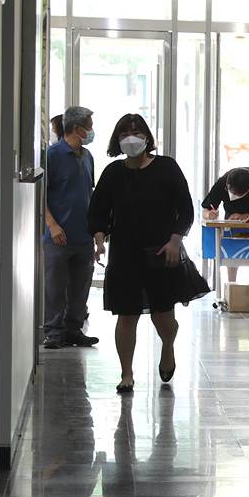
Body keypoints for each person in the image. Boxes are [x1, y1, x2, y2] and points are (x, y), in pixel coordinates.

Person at [87, 112, 198, 395]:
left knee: (163, 316)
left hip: (161, 251)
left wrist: (175, 241)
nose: (130, 139)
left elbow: (185, 210)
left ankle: (168, 346)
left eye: (136, 133)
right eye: (124, 134)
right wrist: (99, 238)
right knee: (126, 315)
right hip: (124, 253)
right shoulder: (113, 173)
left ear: (147, 138)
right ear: (117, 140)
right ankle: (126, 373)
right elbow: (98, 211)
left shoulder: (166, 167)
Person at [42, 107, 99, 350]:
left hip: (83, 235)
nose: (92, 131)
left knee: (80, 287)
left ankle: (74, 330)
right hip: (58, 236)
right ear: (77, 129)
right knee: (55, 287)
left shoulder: (87, 157)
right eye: (89, 126)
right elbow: (40, 196)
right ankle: (54, 333)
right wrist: (52, 225)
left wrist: (97, 230)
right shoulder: (52, 156)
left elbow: (88, 193)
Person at [201, 165, 249, 284]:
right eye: (230, 192)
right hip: (231, 219)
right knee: (231, 252)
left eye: (238, 194)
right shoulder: (222, 182)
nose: (233, 196)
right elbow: (206, 209)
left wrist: (246, 216)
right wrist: (209, 214)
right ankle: (231, 285)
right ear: (228, 185)